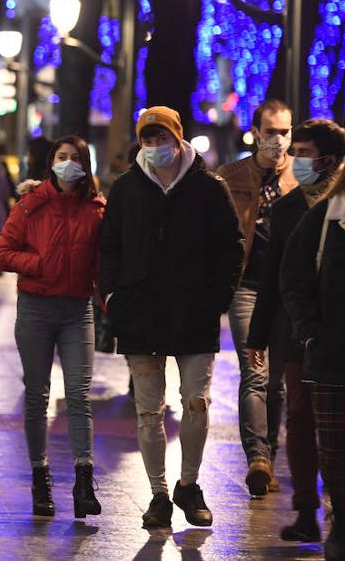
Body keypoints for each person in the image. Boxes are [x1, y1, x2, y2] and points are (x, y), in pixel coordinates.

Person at [99, 106, 243, 530]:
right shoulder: (128, 188)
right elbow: (109, 245)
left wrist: (218, 297)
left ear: (178, 138)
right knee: (148, 411)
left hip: (193, 313)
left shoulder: (209, 188)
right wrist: (112, 295)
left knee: (197, 403)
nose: (155, 146)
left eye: (162, 137)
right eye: (148, 138)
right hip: (141, 313)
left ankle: (189, 484)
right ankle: (158, 494)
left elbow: (230, 246)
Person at [246, 118, 345, 544]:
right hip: (295, 332)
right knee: (301, 418)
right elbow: (274, 277)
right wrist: (258, 334)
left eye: (306, 153)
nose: (298, 160)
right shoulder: (288, 208)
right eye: (298, 151)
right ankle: (306, 508)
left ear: (332, 160)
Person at [0, 135, 105, 519]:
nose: (68, 163)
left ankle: (82, 478)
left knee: (78, 394)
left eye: (76, 157)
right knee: (37, 395)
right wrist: (40, 264)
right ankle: (40, 478)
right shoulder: (31, 206)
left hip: (77, 310)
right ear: (50, 162)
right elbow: (2, 252)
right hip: (37, 309)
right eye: (62, 157)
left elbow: (103, 260)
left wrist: (107, 296)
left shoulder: (97, 208)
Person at [282, 129, 345, 561]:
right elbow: (294, 277)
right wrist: (310, 331)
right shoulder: (325, 217)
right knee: (336, 449)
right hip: (331, 353)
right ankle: (341, 520)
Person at [215, 99, 297, 496]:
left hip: (286, 291)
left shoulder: (301, 178)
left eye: (285, 132)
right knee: (256, 372)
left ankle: (271, 456)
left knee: (278, 380)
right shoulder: (231, 176)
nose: (278, 140)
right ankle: (258, 458)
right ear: (257, 133)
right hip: (247, 288)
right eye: (271, 132)